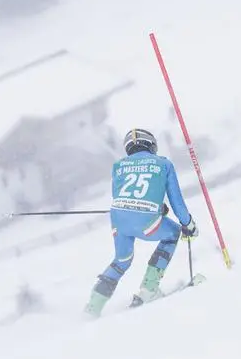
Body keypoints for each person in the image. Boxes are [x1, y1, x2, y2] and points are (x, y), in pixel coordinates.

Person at [84, 128, 198, 318]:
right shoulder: (163, 164)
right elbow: (177, 202)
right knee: (173, 233)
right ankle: (149, 289)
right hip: (146, 220)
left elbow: (121, 194)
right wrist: (188, 224)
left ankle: (92, 307)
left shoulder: (118, 165)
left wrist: (154, 207)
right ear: (151, 145)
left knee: (122, 260)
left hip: (119, 219)